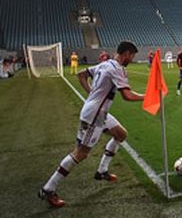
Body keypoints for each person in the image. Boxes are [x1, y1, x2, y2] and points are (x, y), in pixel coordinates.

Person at [38, 41, 145, 208]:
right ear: (126, 54)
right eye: (132, 56)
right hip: (94, 116)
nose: (131, 59)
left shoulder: (104, 64)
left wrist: (91, 94)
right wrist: (149, 96)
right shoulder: (117, 68)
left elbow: (81, 74)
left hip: (99, 112)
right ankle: (48, 189)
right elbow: (127, 96)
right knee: (80, 153)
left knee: (121, 134)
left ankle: (102, 171)